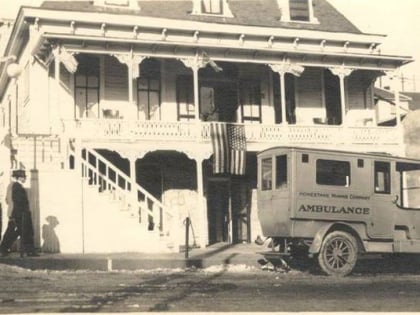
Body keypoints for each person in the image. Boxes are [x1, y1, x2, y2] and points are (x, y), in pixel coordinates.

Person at [0, 170, 39, 257]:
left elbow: (7, 200)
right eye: (24, 177)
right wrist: (21, 214)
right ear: (20, 178)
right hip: (20, 214)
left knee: (13, 232)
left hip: (13, 213)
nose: (25, 178)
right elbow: (18, 202)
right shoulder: (18, 187)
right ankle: (29, 251)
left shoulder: (10, 186)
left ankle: (3, 249)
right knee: (26, 231)